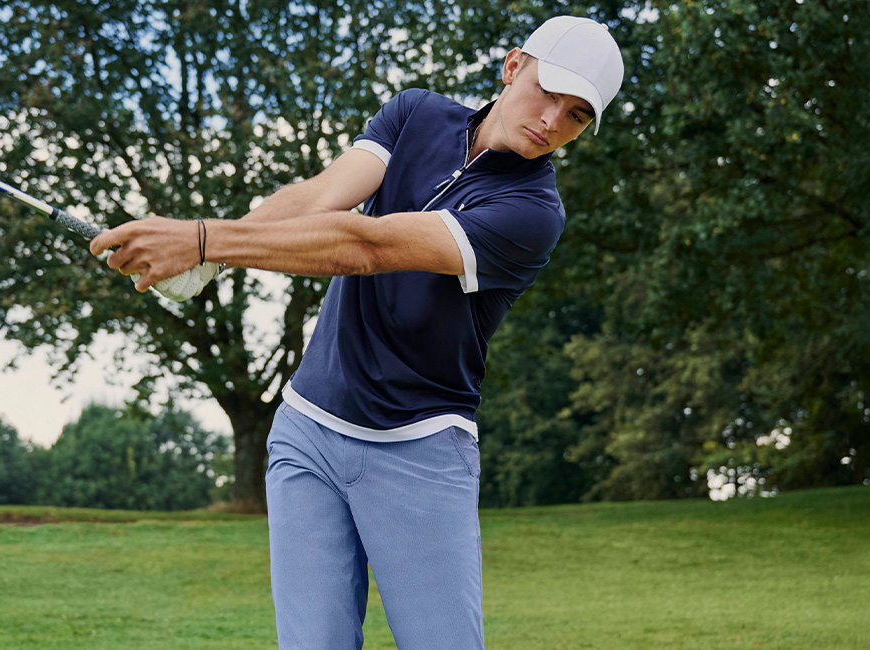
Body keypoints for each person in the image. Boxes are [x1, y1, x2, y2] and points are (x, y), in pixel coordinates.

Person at [90, 15, 624, 650]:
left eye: (577, 116)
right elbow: (322, 198)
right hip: (308, 429)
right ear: (513, 67)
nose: (552, 121)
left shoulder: (531, 213)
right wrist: (211, 257)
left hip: (419, 448)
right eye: (549, 92)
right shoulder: (416, 113)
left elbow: (364, 246)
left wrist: (201, 237)